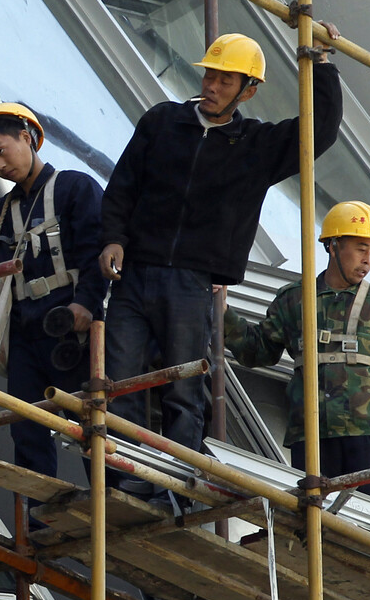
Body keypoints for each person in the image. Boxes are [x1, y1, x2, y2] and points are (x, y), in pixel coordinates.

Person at [98, 29, 343, 488]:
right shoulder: (162, 122)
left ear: (248, 90)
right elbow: (123, 186)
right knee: (120, 382)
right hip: (134, 276)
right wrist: (114, 238)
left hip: (192, 284)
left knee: (184, 391)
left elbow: (320, 130)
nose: (211, 85)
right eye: (210, 74)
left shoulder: (256, 145)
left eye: (225, 80)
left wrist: (321, 61)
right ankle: (121, 484)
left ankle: (177, 489)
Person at [0, 102, 106, 480]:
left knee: (90, 423)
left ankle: (110, 506)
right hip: (26, 333)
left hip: (70, 328)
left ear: (26, 139)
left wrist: (86, 305)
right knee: (26, 426)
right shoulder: (3, 212)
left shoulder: (75, 188)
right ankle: (36, 522)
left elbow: (97, 249)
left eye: (1, 150)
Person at [222, 201, 370, 502]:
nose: (367, 260)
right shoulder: (295, 300)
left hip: (367, 430)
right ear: (333, 245)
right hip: (311, 433)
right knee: (316, 517)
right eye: (360, 248)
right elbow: (257, 351)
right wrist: (222, 312)